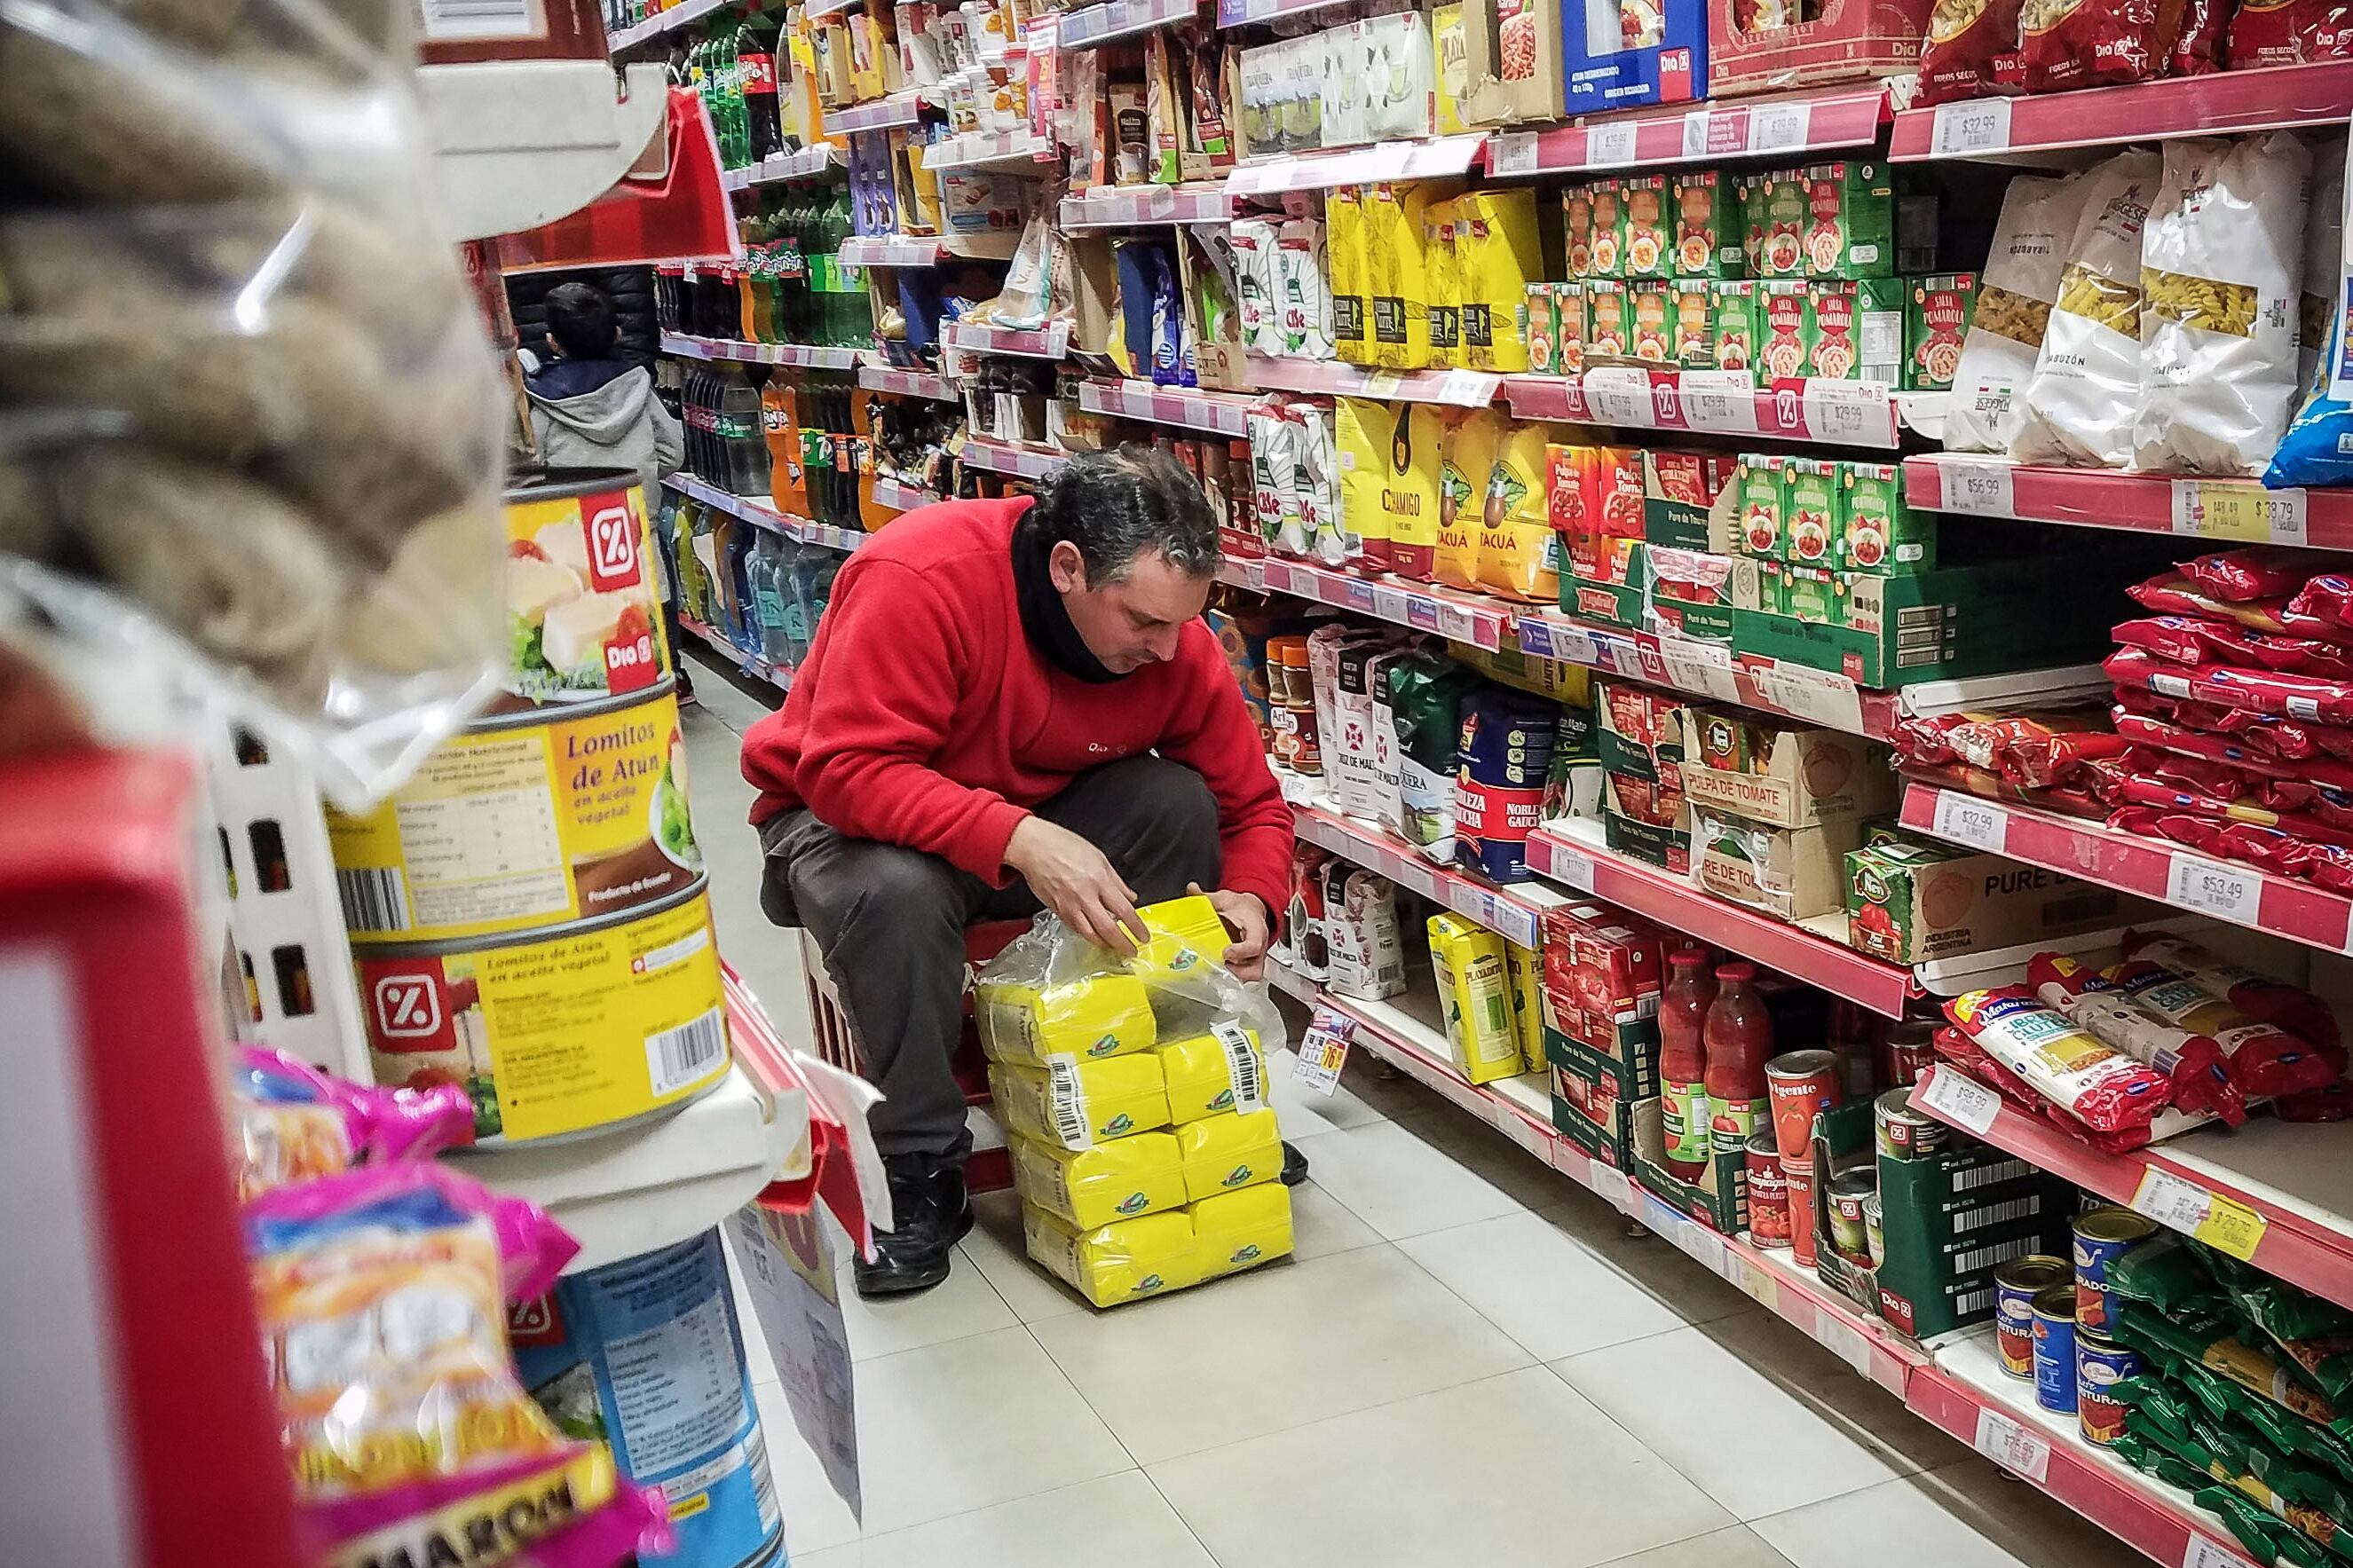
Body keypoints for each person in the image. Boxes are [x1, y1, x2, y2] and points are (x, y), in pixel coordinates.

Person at [742, 447, 1294, 1297]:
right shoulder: (924, 575)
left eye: (1181, 623)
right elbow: (846, 770)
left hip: (1028, 817)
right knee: (897, 892)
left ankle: (1175, 1098)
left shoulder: (1173, 648)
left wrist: (1255, 898)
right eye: (1142, 621)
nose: (1165, 648)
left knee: (1176, 801)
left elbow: (1250, 804)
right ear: (1067, 567)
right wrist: (1021, 836)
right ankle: (924, 1165)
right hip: (847, 823)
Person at [525, 279, 692, 697]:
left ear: (552, 342)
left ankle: (592, 691)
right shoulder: (638, 386)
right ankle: (665, 679)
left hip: (572, 538)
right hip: (637, 526)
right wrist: (645, 476)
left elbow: (530, 464)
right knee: (652, 606)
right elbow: (673, 452)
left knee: (580, 623)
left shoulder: (541, 402)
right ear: (617, 334)